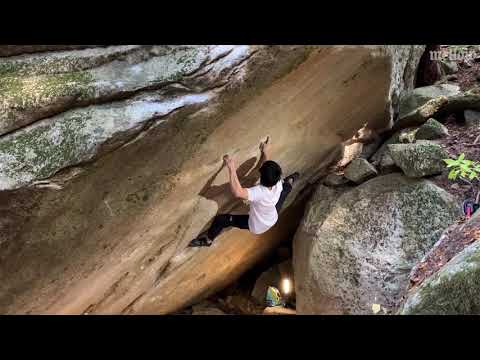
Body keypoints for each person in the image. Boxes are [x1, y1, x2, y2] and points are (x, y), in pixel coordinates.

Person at [189, 137, 299, 247]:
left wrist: (231, 168)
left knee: (221, 219)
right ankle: (290, 181)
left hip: (257, 225)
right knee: (284, 189)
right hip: (272, 216)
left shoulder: (259, 192)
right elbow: (266, 168)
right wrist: (266, 152)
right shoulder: (277, 181)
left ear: (261, 177)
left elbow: (238, 192)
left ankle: (208, 240)